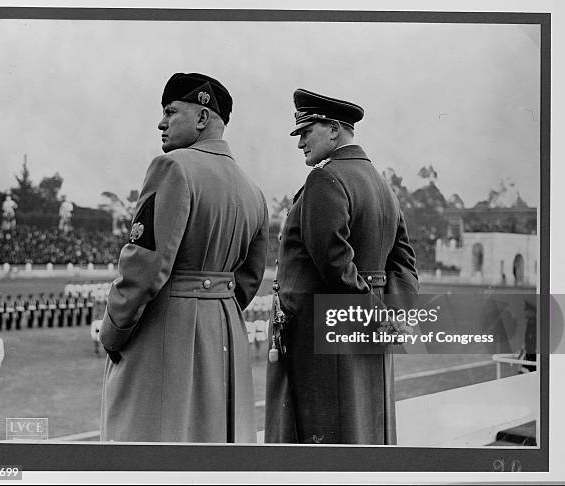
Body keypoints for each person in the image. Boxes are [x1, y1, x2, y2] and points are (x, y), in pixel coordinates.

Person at [100, 72, 268, 443]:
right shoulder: (253, 190)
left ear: (203, 118)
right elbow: (251, 278)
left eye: (170, 111)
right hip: (225, 331)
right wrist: (214, 306)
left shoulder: (173, 167)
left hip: (167, 335)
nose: (161, 123)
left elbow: (142, 267)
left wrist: (112, 333)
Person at [265, 89, 419, 444]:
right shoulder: (383, 185)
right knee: (365, 433)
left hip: (326, 341)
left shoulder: (326, 179)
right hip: (367, 335)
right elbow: (405, 264)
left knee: (327, 443)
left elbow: (336, 265)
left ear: (334, 130)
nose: (300, 141)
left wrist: (376, 319)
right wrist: (392, 316)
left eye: (307, 131)